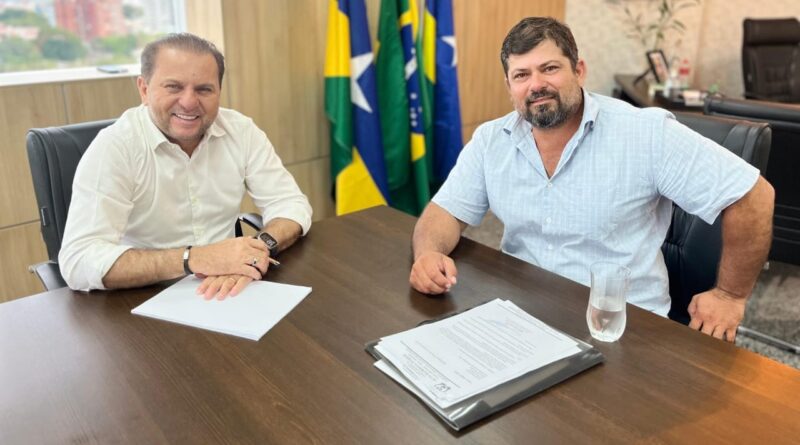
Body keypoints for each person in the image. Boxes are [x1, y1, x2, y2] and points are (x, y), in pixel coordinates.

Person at [409, 17, 774, 343]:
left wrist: (730, 296)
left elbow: (753, 194)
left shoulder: (645, 133)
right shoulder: (491, 140)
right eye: (522, 75)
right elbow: (445, 211)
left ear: (579, 70)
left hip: (619, 329)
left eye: (550, 68)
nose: (536, 85)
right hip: (519, 317)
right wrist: (428, 253)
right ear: (509, 86)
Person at [59, 33, 312, 300]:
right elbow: (78, 260)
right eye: (173, 87)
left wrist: (259, 248)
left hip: (231, 288)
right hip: (142, 296)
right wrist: (195, 258)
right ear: (144, 89)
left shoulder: (240, 131)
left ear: (219, 92)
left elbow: (291, 203)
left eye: (204, 89)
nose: (189, 102)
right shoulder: (116, 146)